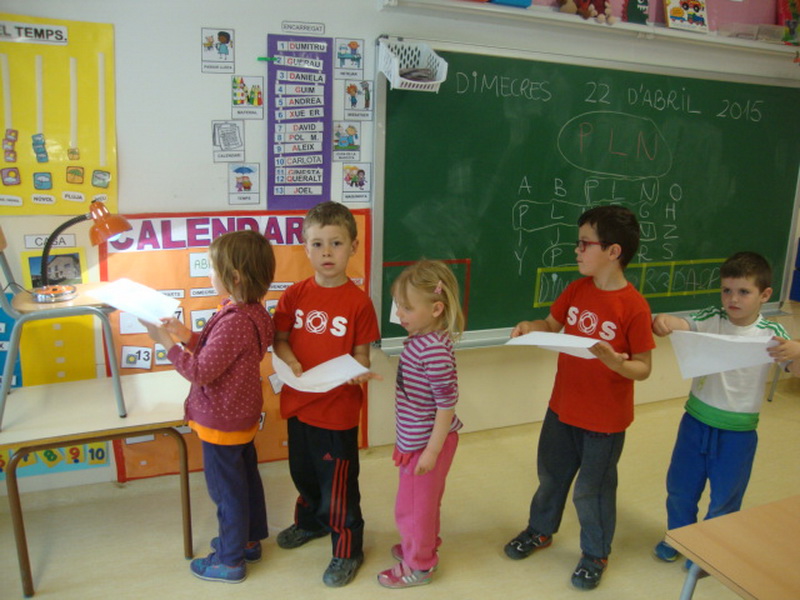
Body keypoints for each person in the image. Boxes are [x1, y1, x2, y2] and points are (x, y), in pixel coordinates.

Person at [504, 205, 654, 591]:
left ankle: (595, 553)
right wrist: (530, 326)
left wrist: (617, 363)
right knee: (550, 476)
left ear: (613, 251)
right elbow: (550, 324)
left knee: (593, 489)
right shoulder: (576, 289)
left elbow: (643, 367)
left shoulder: (634, 306)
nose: (577, 250)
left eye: (585, 243)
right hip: (562, 408)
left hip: (604, 422)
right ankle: (540, 530)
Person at [142, 230, 276, 584]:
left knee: (226, 492)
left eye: (213, 269)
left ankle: (230, 561)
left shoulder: (234, 320)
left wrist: (167, 343)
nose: (210, 276)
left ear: (234, 277)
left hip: (221, 422)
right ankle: (247, 541)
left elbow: (199, 371)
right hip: (240, 417)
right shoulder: (253, 312)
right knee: (245, 481)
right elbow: (222, 351)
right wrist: (185, 334)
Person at [651, 251, 790, 567]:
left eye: (744, 292)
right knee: (680, 488)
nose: (733, 299)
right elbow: (682, 323)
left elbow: (793, 364)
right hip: (695, 423)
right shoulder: (712, 317)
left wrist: (796, 351)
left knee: (726, 497)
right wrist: (666, 322)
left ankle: (709, 551)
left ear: (765, 294)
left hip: (738, 434)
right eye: (727, 290)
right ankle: (680, 538)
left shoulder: (772, 333)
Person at [272, 200, 380, 587]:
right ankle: (311, 523)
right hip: (299, 404)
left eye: (336, 243)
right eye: (317, 244)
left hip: (336, 413)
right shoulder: (294, 295)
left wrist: (357, 372)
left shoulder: (359, 302)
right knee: (303, 473)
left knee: (338, 485)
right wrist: (290, 361)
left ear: (353, 246)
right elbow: (280, 340)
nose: (327, 252)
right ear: (306, 248)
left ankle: (347, 549)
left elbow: (362, 354)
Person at [377, 260, 465, 589]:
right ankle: (422, 543)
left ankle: (420, 565)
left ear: (436, 309)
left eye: (407, 308)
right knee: (421, 505)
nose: (399, 314)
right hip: (418, 441)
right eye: (398, 306)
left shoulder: (434, 351)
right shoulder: (421, 340)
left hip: (429, 445)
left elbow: (446, 405)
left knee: (412, 508)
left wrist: (431, 451)